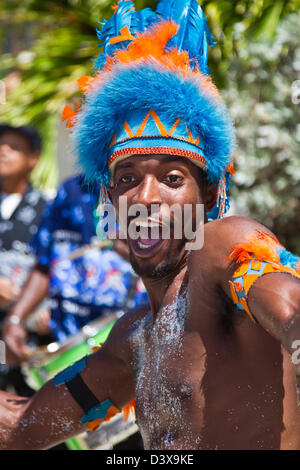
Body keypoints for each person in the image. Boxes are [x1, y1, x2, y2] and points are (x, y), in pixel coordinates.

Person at [1, 0, 300, 450]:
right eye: (127, 180)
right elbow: (22, 430)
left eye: (172, 178)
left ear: (210, 194)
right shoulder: (133, 338)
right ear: (108, 201)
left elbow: (288, 305)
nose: (144, 198)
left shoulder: (223, 248)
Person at [3, 173, 148, 356]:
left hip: (131, 343)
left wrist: (142, 257)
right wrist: (15, 319)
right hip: (66, 345)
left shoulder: (147, 194)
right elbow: (45, 264)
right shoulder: (69, 191)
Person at [0, 123, 48, 393]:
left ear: (33, 159)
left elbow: (59, 265)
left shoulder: (50, 208)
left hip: (32, 338)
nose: (3, 152)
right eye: (0, 146)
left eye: (14, 148)